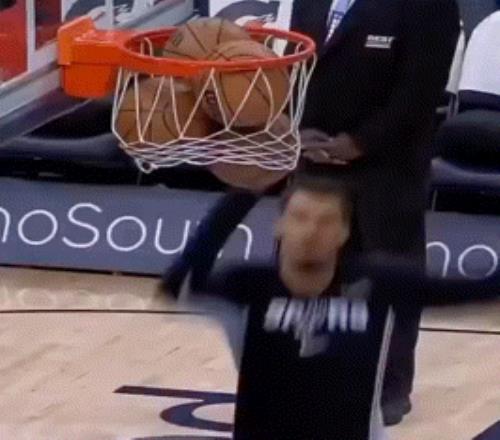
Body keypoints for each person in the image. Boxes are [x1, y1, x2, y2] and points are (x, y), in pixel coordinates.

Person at [163, 175, 500, 440]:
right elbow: (178, 282)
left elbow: (483, 290)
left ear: (343, 232)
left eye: (325, 221)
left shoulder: (379, 283)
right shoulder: (247, 286)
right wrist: (243, 194)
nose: (311, 231)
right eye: (300, 217)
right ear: (279, 225)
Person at [292, 0, 461, 424]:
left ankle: (390, 387)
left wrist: (360, 142)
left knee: (391, 276)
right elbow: (299, 68)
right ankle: (312, 376)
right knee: (312, 275)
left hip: (388, 168)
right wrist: (297, 130)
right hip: (314, 160)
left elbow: (421, 90)